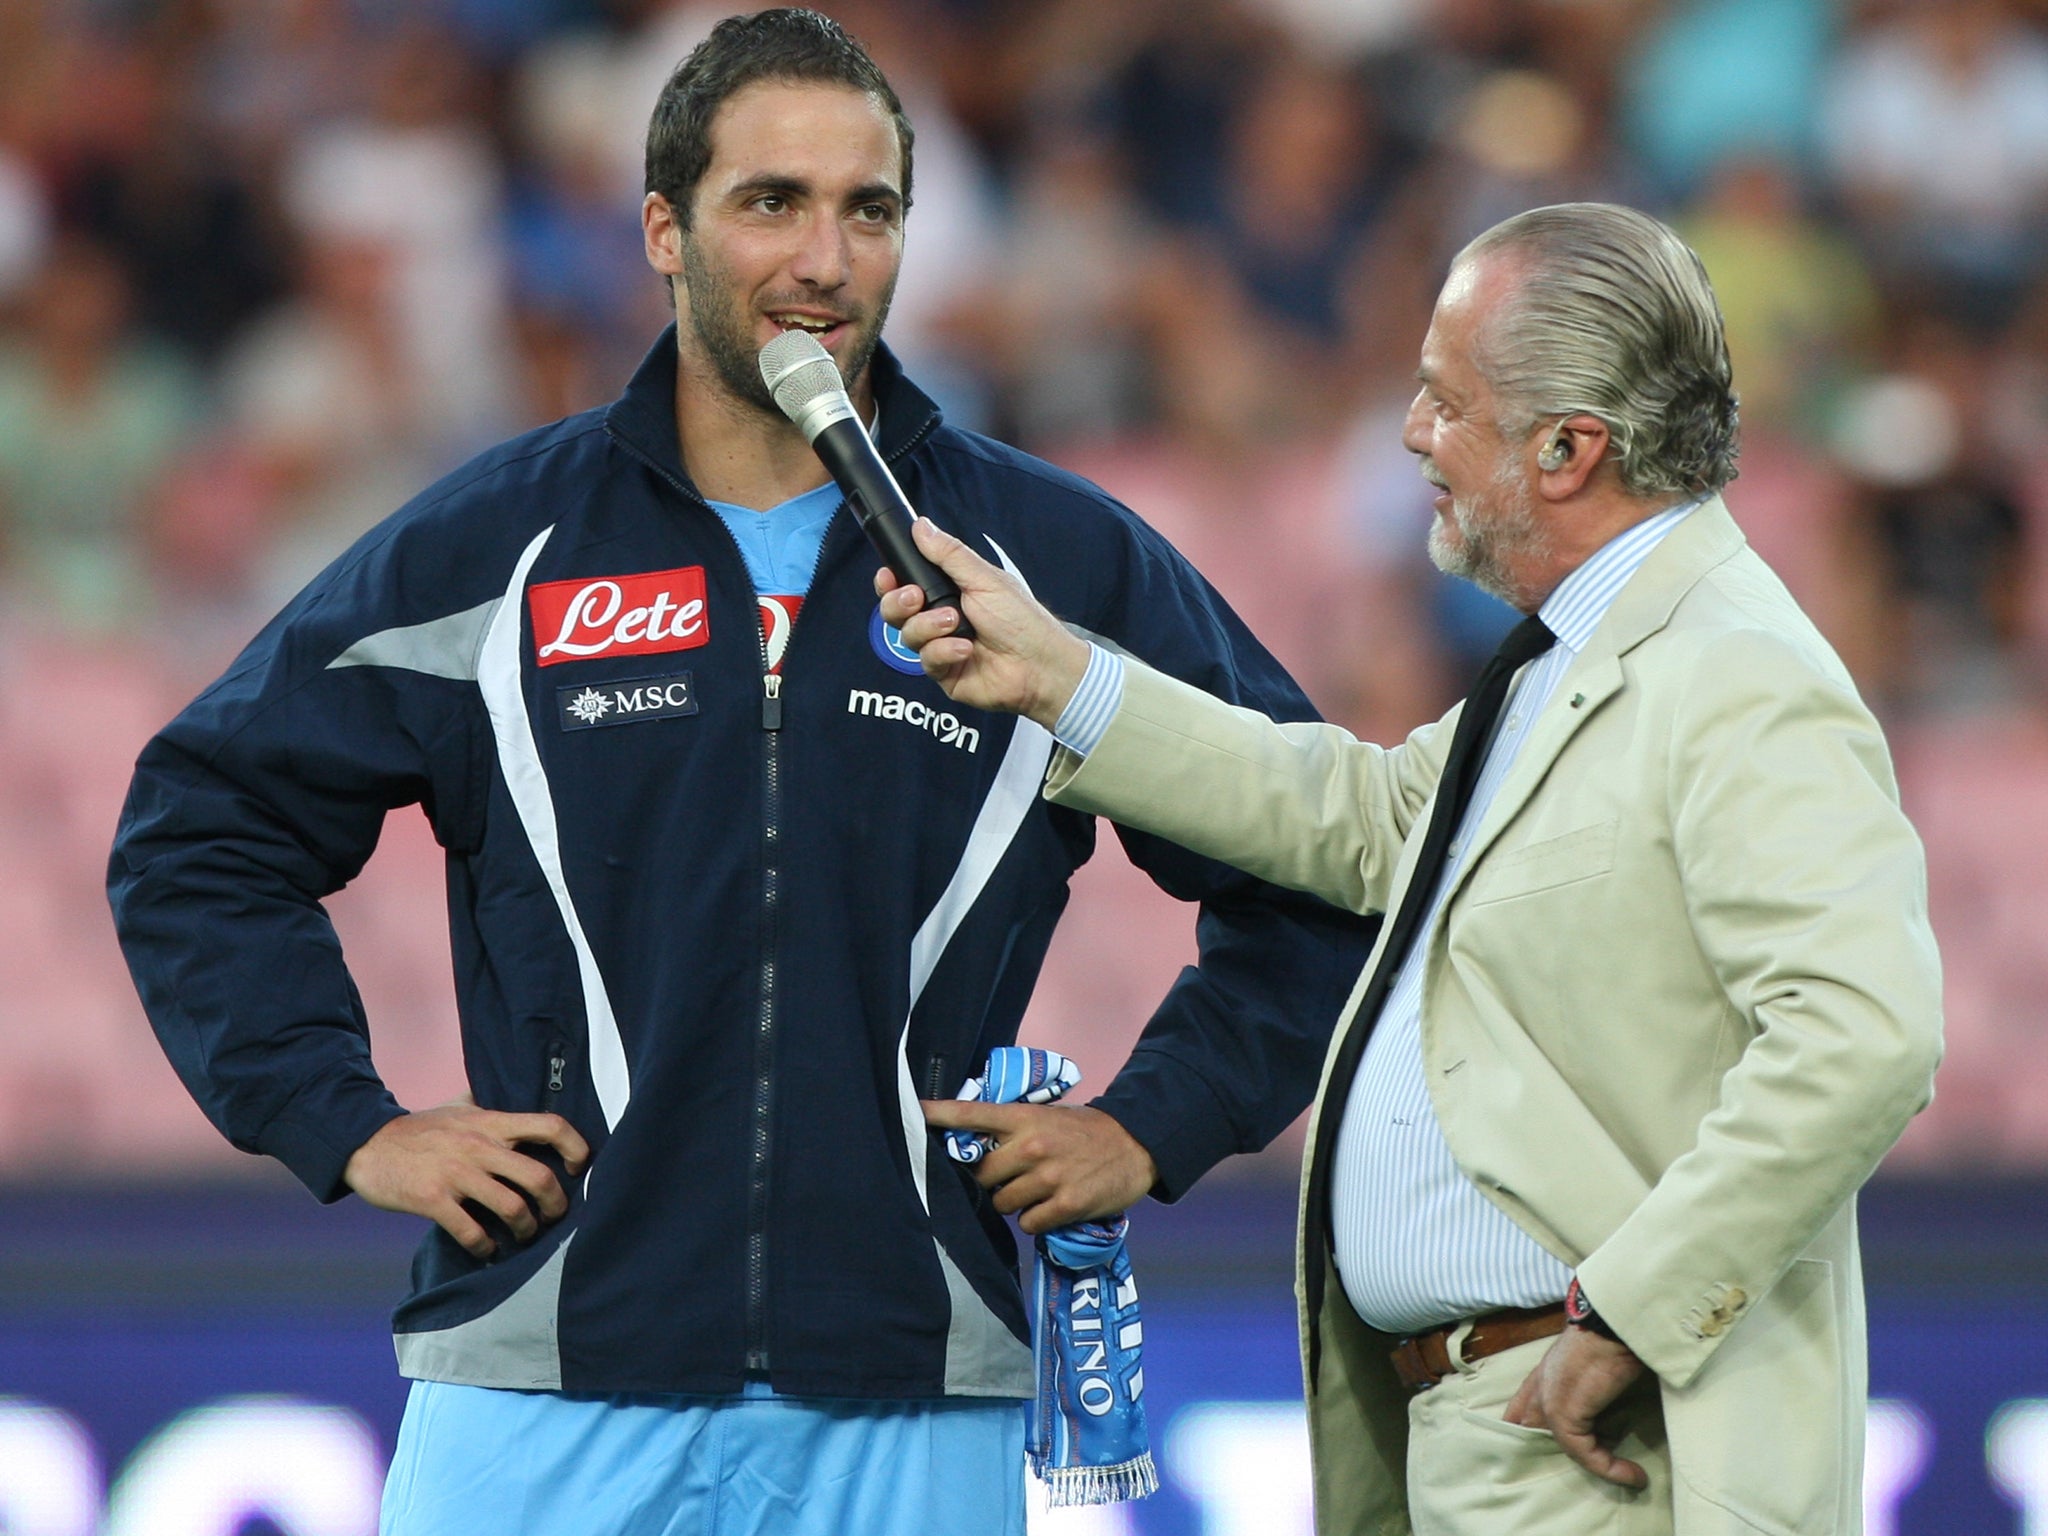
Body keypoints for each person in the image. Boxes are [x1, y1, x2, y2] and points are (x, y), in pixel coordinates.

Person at [106, 11, 1369, 1535]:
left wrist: (1155, 1123)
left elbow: (1320, 858)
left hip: (911, 1385)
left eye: (870, 208)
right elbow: (202, 827)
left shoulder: (1052, 563)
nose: (825, 259)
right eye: (771, 201)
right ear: (663, 228)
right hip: (541, 1382)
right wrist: (345, 1118)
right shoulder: (498, 549)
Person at [893, 202, 1944, 1536]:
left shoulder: (1735, 673)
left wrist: (1632, 1311)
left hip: (1605, 1445)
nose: (1411, 436)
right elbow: (1360, 812)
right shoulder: (1564, 661)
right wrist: (1064, 681)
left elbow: (1866, 1034)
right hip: (1473, 1422)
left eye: (1449, 403)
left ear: (1571, 449)